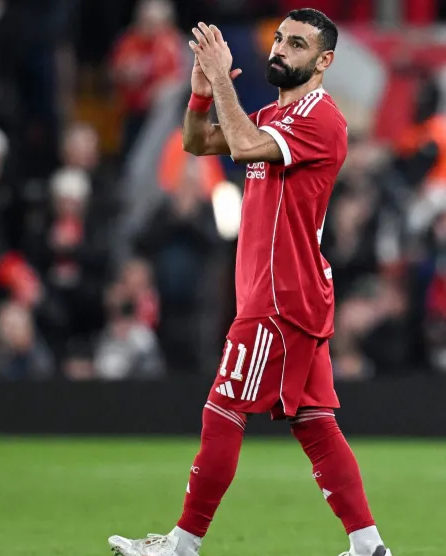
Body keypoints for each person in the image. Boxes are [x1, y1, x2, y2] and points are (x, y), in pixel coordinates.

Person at [106, 10, 392, 556]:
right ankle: (368, 547)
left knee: (224, 408)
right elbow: (197, 144)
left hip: (279, 297)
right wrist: (198, 95)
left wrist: (219, 81)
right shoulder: (276, 116)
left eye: (297, 44)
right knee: (314, 423)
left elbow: (239, 146)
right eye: (280, 38)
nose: (281, 49)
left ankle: (181, 545)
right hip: (293, 293)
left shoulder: (321, 120)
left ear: (324, 61)